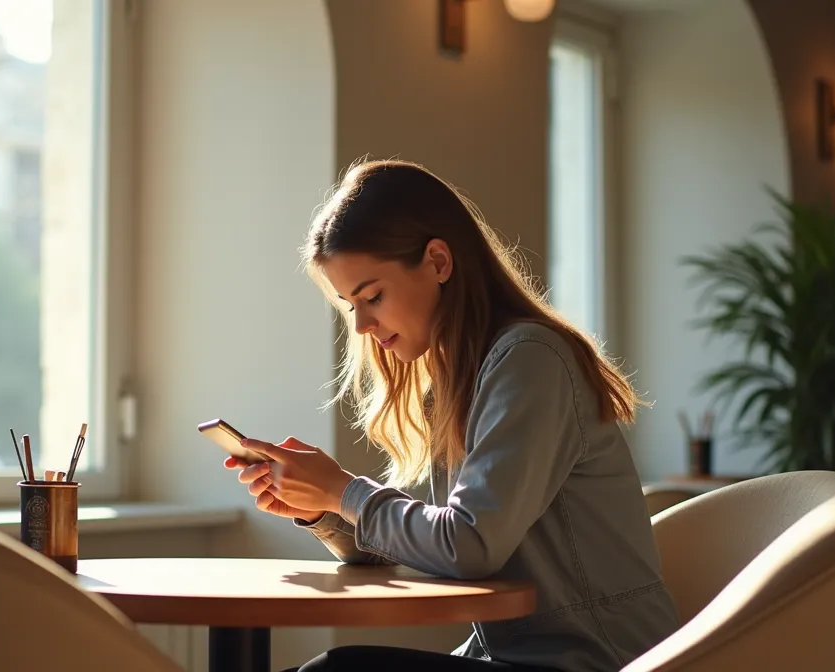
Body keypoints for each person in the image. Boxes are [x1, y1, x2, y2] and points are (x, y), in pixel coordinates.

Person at [226, 160, 679, 672]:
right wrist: (321, 508)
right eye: (351, 307)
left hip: (597, 661)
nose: (363, 326)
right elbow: (432, 541)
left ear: (439, 261)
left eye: (373, 296)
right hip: (513, 658)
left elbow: (468, 545)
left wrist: (344, 491)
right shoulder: (461, 379)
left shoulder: (531, 360)